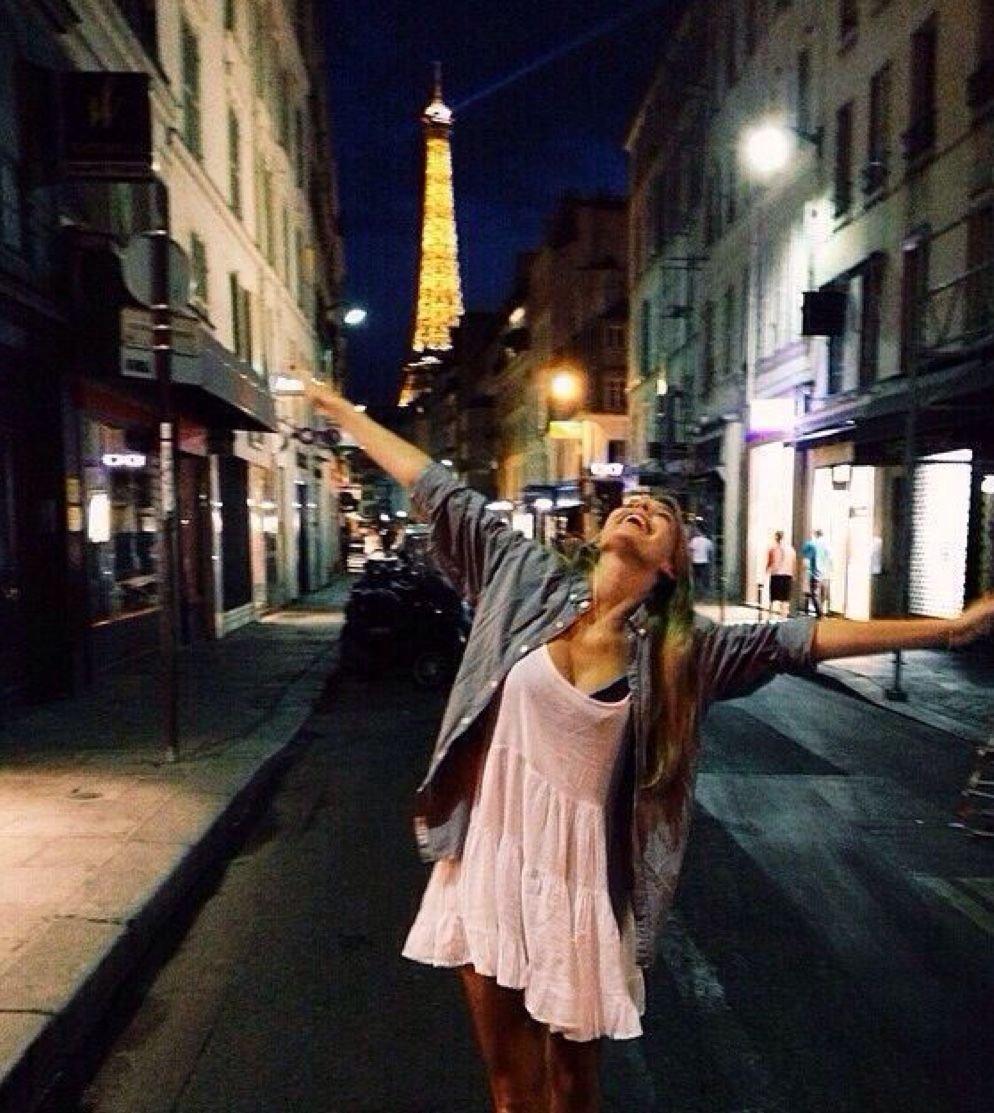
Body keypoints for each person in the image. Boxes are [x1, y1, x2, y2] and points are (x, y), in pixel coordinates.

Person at [323, 388, 994, 1112]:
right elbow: (437, 488)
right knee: (512, 1091)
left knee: (574, 1087)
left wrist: (947, 629)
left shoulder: (681, 655)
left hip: (579, 884)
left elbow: (798, 639)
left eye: (662, 515)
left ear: (671, 564)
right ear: (602, 528)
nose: (640, 506)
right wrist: (344, 412)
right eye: (633, 502)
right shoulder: (522, 577)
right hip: (490, 859)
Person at [765, 530, 797, 617]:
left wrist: (767, 571)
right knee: (785, 598)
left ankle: (771, 614)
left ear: (776, 538)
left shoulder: (773, 549)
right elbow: (793, 563)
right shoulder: (791, 550)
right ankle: (784, 614)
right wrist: (794, 574)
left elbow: (770, 562)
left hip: (776, 574)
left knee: (774, 597)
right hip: (787, 574)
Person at [802, 528, 831, 618]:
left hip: (815, 573)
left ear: (815, 534)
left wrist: (805, 572)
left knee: (814, 594)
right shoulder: (827, 546)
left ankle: (820, 614)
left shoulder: (811, 544)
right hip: (826, 574)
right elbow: (830, 560)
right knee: (823, 595)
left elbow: (806, 560)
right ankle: (822, 612)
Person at [687, 525, 714, 597]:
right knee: (703, 578)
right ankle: (703, 593)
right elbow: (710, 553)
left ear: (699, 531)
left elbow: (690, 551)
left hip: (695, 562)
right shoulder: (708, 541)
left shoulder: (693, 540)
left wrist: (690, 561)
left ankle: (695, 592)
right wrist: (710, 562)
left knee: (695, 578)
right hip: (704, 562)